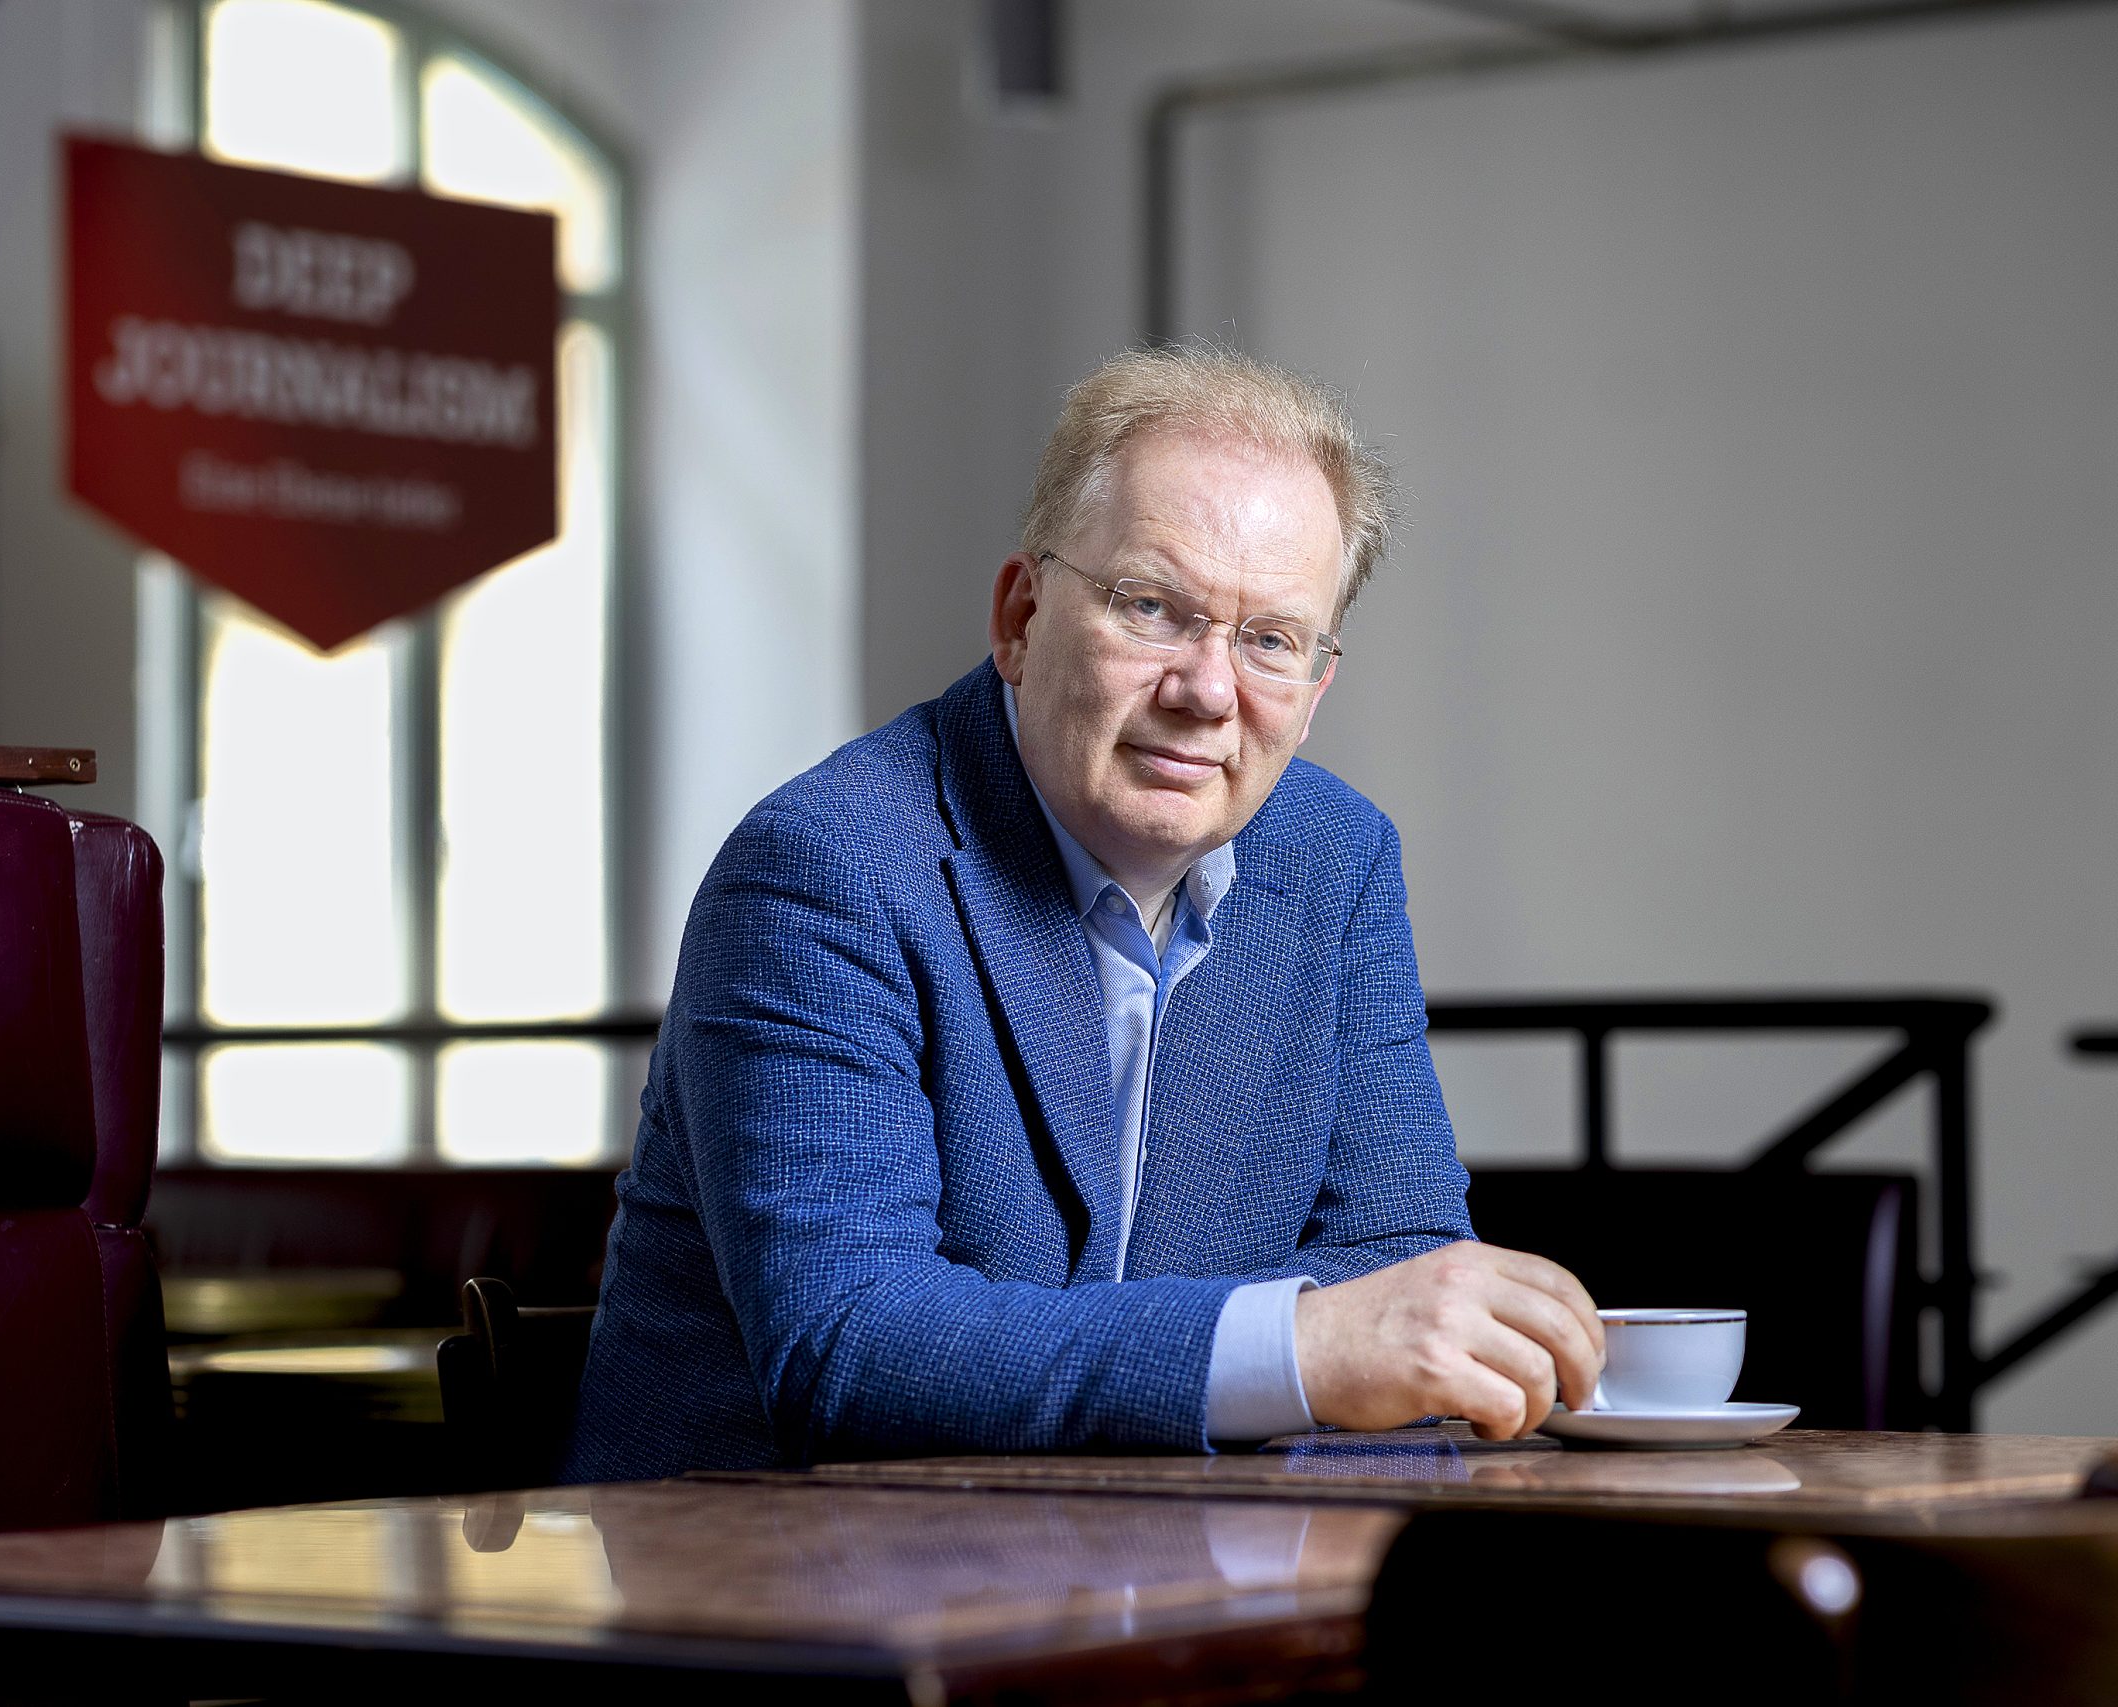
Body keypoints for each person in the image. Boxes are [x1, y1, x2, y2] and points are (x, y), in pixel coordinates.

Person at [566, 347, 1601, 1483]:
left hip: (1160, 1565)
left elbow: (1395, 1257)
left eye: (1269, 640)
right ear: (1019, 617)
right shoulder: (825, 868)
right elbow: (847, 1348)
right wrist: (1300, 1348)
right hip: (760, 1598)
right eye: (1152, 609)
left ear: (1314, 692)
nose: (1208, 691)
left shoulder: (1335, 861)